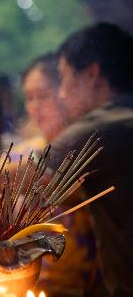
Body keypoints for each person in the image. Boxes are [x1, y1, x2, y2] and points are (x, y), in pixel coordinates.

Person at [49, 22, 133, 296]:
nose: (61, 93)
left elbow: (25, 181)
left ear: (92, 74)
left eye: (64, 78)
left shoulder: (100, 129)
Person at [17, 54, 98, 295]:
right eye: (29, 98)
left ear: (65, 93)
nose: (34, 107)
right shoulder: (21, 153)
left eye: (42, 96)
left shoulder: (87, 151)